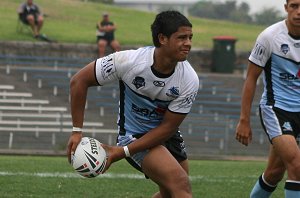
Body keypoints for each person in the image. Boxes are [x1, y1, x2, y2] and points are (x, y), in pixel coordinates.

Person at [67, 10, 199, 197]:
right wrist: (76, 131)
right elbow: (78, 81)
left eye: (190, 38)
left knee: (171, 191)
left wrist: (120, 153)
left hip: (165, 133)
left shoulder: (189, 79)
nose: (188, 44)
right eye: (182, 38)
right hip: (133, 135)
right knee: (180, 183)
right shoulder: (128, 61)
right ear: (162, 38)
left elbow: (168, 128)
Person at [235, 0, 300, 197]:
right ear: (286, 7)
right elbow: (251, 78)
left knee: (274, 173)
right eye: (295, 6)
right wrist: (244, 120)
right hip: (277, 109)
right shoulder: (269, 37)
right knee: (296, 165)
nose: (299, 12)